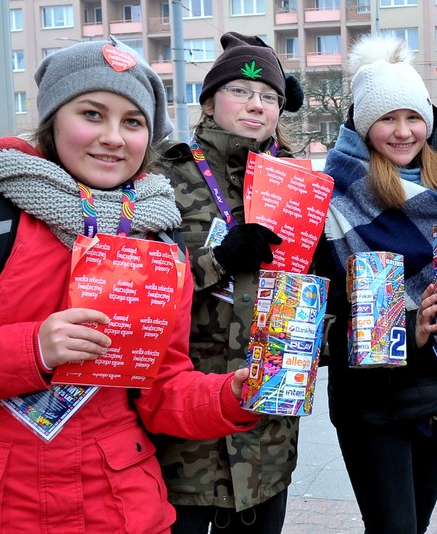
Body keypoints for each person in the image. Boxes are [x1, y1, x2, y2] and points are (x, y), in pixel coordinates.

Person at [0, 39, 259, 533]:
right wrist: (31, 348)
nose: (113, 138)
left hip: (111, 505)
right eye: (92, 114)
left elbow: (161, 387)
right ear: (53, 122)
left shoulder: (160, 241)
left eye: (132, 122)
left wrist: (233, 396)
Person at [314, 32, 437, 534]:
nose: (402, 131)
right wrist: (405, 326)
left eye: (413, 117)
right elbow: (315, 321)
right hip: (373, 402)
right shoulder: (332, 203)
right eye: (387, 118)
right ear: (364, 126)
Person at [151, 32, 305, 532]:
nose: (256, 105)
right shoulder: (161, 176)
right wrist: (217, 259)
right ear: (210, 100)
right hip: (186, 428)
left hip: (267, 431)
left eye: (269, 97)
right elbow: (135, 291)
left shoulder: (297, 184)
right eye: (241, 91)